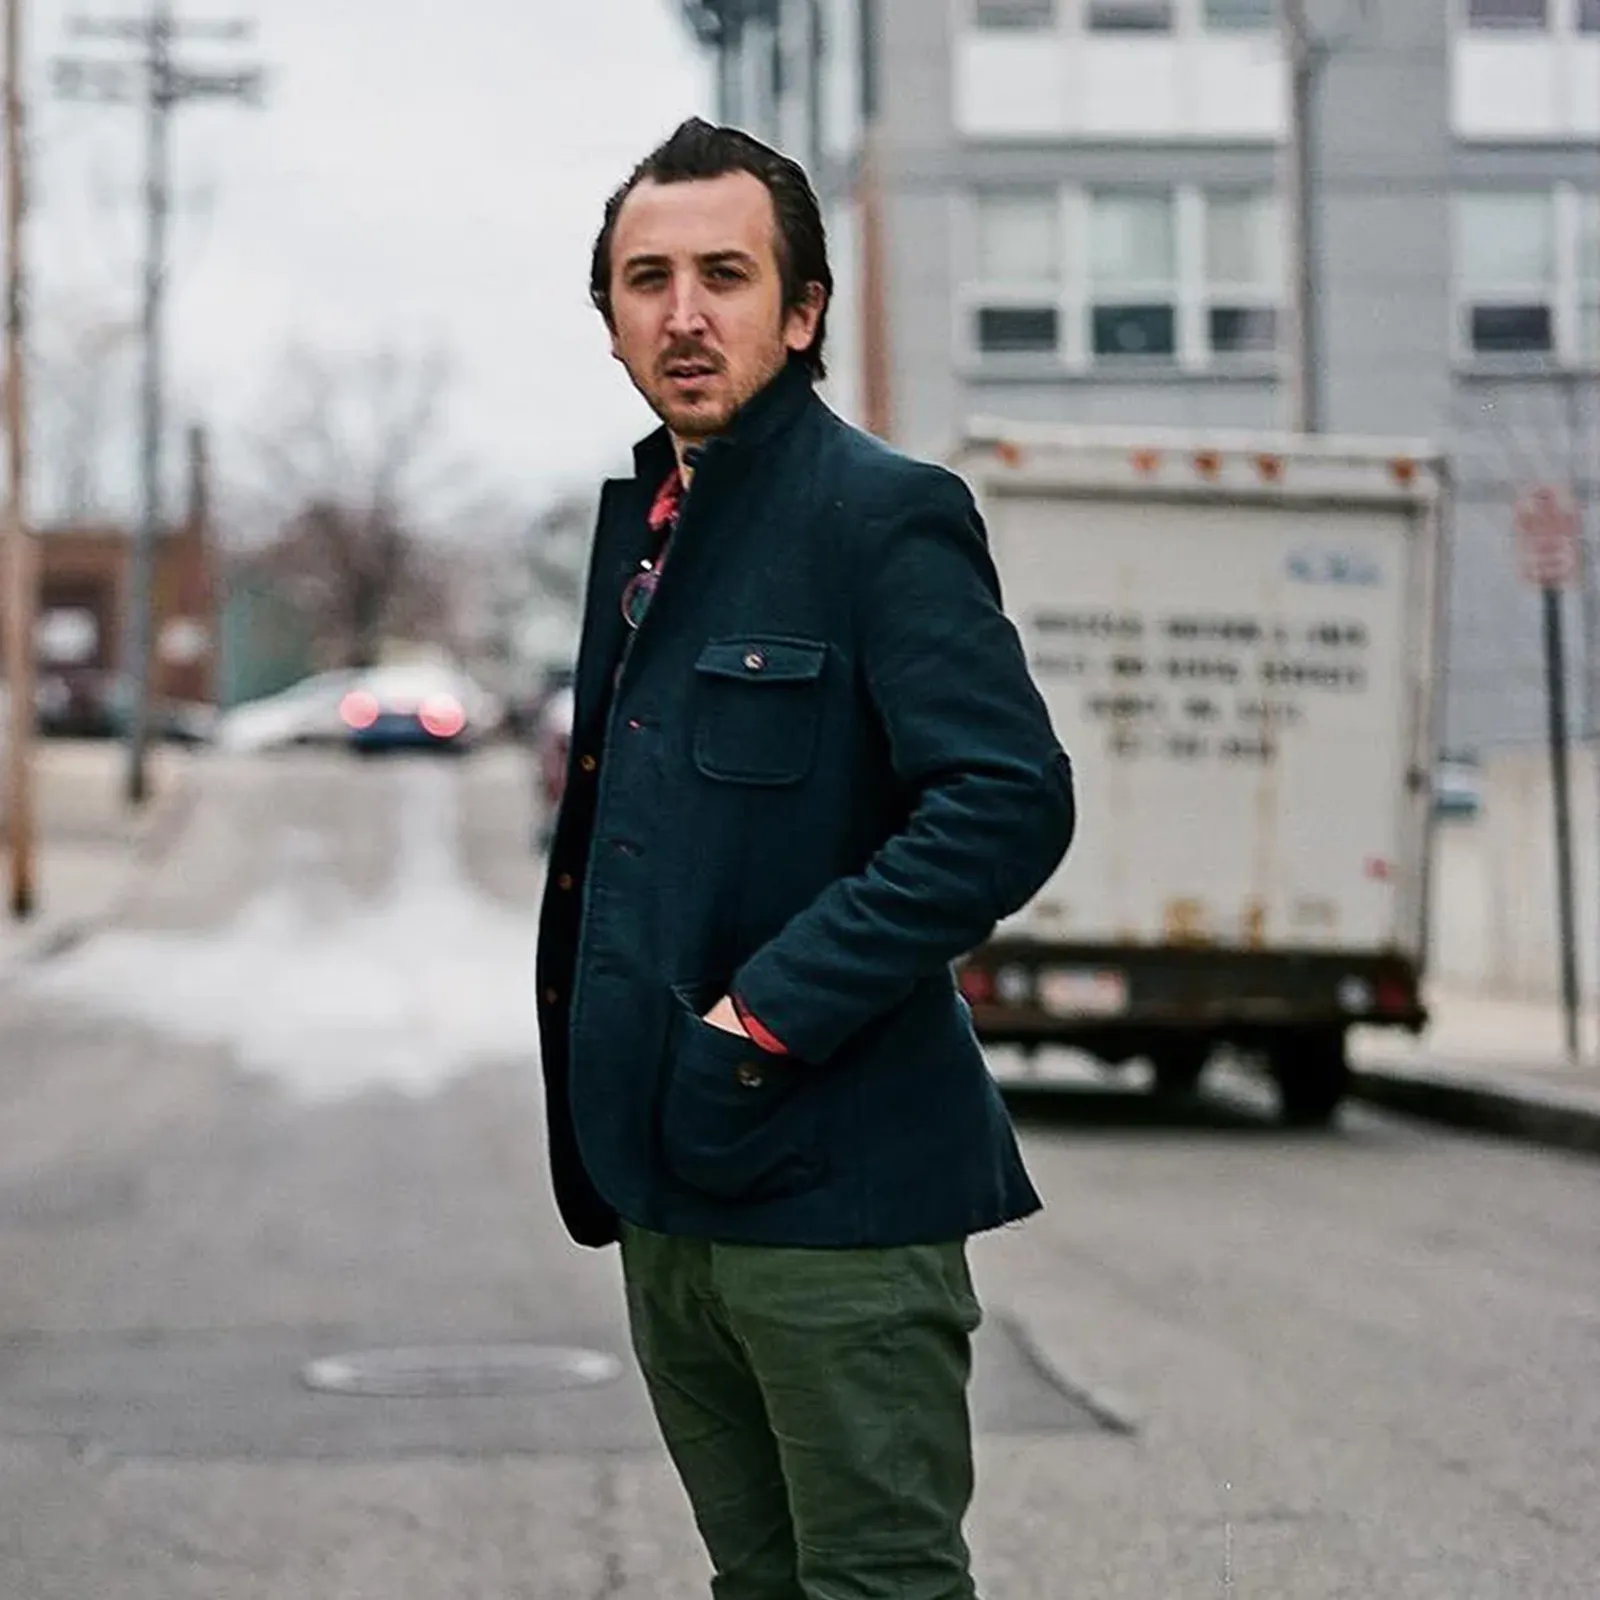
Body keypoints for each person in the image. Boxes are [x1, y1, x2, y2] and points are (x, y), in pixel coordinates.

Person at [535, 117, 1076, 1600]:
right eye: (648, 280)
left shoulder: (880, 514)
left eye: (726, 272)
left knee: (876, 1587)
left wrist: (760, 1018)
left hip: (834, 1193)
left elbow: (1007, 798)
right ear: (612, 320)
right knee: (755, 1587)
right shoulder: (644, 535)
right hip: (664, 1190)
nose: (685, 312)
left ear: (804, 308)